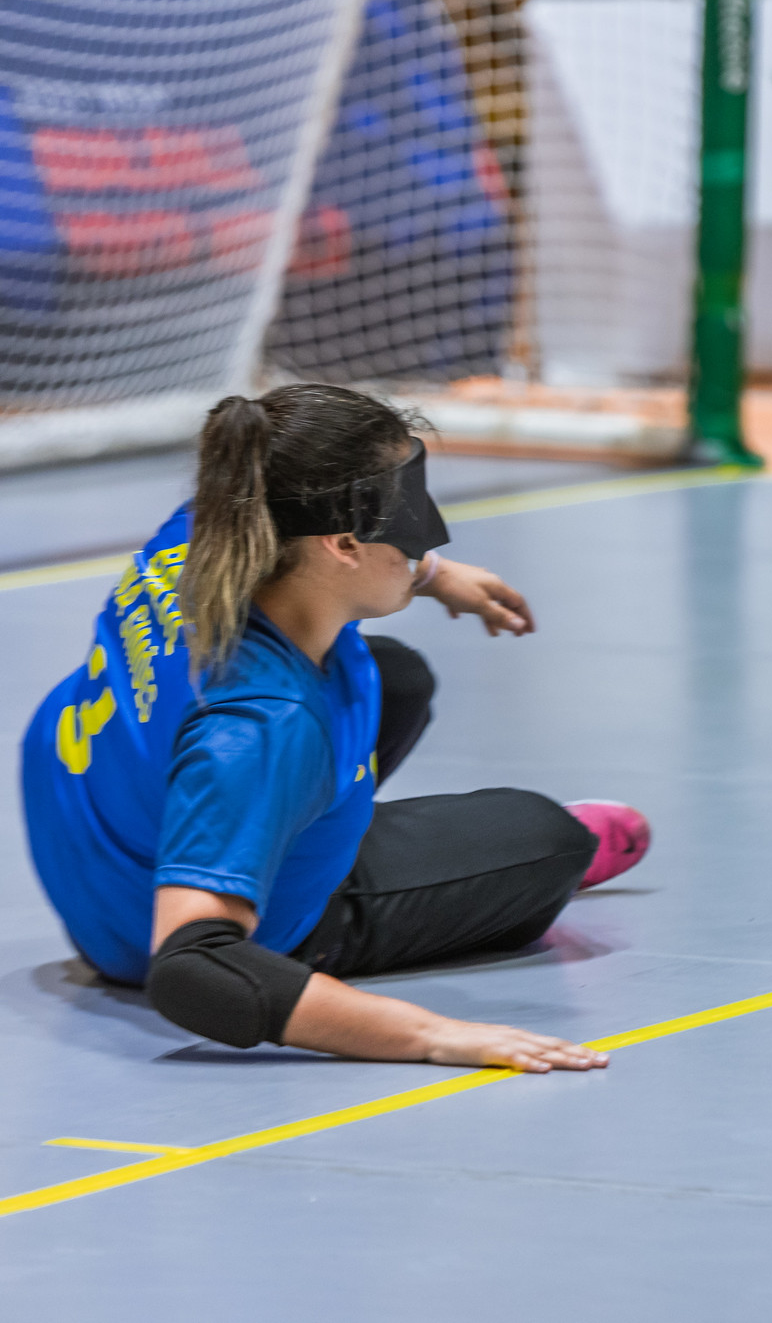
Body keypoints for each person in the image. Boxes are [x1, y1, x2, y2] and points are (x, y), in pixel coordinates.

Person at [19, 385, 651, 1069]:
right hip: (155, 933)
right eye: (405, 518)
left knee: (395, 676)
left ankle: (266, 829)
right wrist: (433, 1034)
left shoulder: (221, 519)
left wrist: (434, 575)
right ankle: (308, 880)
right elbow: (196, 967)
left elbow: (330, 570)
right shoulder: (262, 726)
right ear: (343, 542)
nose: (422, 536)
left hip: (97, 844)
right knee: (545, 839)